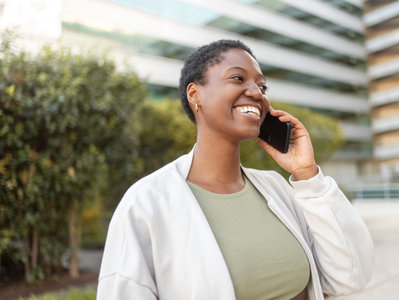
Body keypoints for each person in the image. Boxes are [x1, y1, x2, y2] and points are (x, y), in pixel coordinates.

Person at [97, 39, 374, 300]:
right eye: (238, 78)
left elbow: (348, 276)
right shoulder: (147, 202)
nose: (256, 93)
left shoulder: (277, 189)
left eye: (262, 87)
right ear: (195, 94)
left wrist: (307, 175)